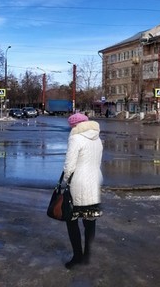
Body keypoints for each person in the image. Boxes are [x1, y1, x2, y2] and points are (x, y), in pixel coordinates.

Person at [62, 113, 104, 268]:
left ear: (75, 126)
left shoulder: (75, 139)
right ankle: (87, 256)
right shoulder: (98, 138)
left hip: (78, 183)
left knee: (71, 220)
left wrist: (66, 181)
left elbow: (69, 166)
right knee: (90, 221)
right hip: (94, 182)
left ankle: (77, 257)